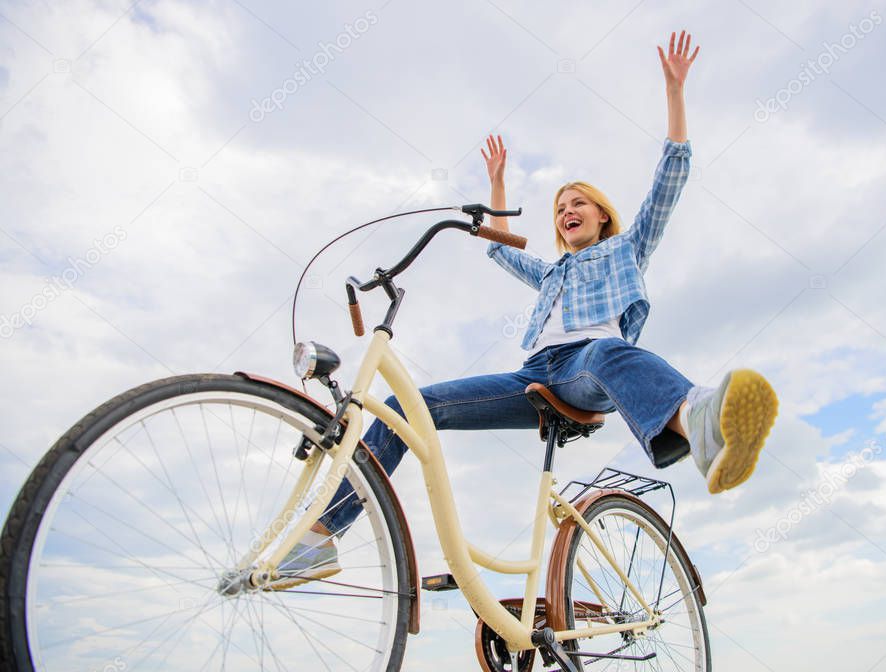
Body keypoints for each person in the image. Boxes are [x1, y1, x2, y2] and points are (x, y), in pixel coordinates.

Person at [272, 29, 778, 587]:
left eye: (578, 203)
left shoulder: (625, 249)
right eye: (560, 207)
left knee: (604, 350)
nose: (566, 211)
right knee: (404, 406)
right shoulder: (551, 274)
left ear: (602, 215)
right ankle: (318, 540)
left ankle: (700, 423)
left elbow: (670, 179)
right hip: (533, 376)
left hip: (589, 369)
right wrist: (496, 181)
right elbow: (498, 249)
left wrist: (675, 93)